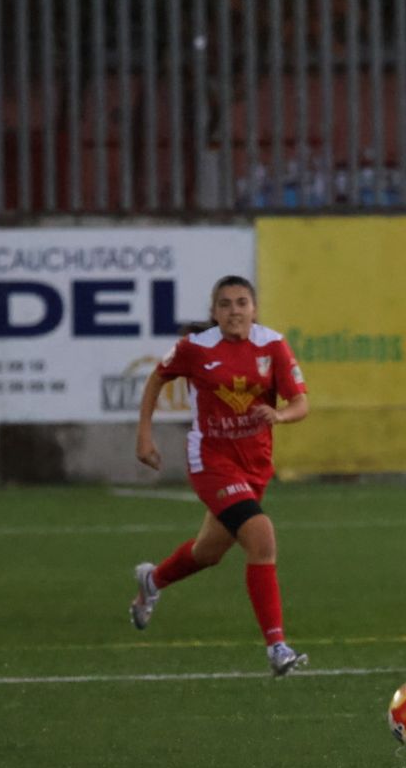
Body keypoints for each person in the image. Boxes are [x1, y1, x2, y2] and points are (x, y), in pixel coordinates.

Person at [129, 278, 312, 676]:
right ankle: (277, 647)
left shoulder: (272, 345)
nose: (234, 311)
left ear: (255, 308)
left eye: (242, 303)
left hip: (256, 464)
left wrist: (278, 415)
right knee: (261, 536)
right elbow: (158, 377)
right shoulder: (195, 348)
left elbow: (300, 402)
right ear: (214, 312)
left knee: (208, 552)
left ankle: (153, 580)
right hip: (210, 460)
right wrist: (145, 434)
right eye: (225, 304)